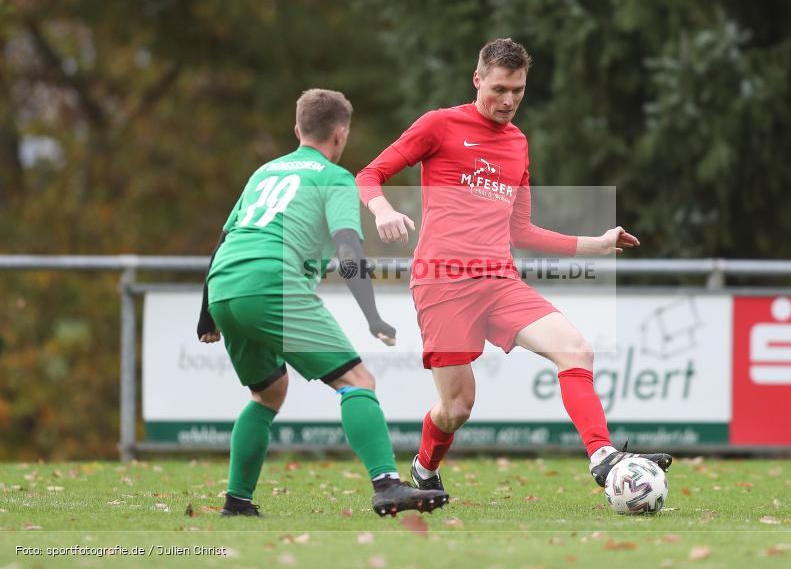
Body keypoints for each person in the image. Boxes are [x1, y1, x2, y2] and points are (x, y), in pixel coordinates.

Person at [355, 39, 672, 496]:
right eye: (499, 89)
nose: (508, 101)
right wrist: (383, 211)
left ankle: (603, 458)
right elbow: (369, 174)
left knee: (575, 350)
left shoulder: (518, 143)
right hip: (443, 283)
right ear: (477, 79)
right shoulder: (439, 125)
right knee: (457, 408)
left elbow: (521, 231)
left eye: (518, 91)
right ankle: (425, 469)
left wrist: (595, 245)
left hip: (500, 281)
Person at [196, 88, 448, 517]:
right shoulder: (335, 178)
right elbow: (348, 251)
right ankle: (387, 484)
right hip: (271, 281)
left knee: (268, 392)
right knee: (358, 381)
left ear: (297, 130)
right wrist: (373, 317)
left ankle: (237, 503)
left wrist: (207, 314)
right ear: (341, 134)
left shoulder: (264, 172)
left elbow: (224, 238)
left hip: (223, 285)